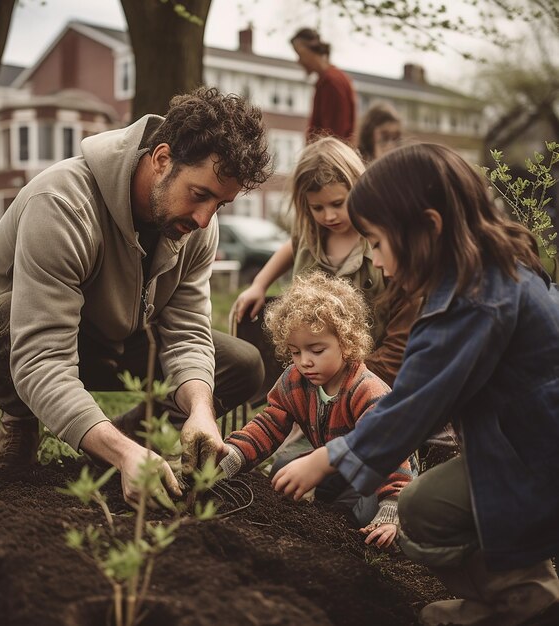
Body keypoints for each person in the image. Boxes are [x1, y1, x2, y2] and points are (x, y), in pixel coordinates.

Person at [271, 143, 559, 626]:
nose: (377, 262)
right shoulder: (490, 275)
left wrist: (325, 458)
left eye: (378, 243)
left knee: (422, 508)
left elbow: (412, 406)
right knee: (438, 503)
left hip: (536, 457)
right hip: (527, 443)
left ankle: (526, 602)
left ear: (428, 228)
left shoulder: (469, 304)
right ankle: (512, 597)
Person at [0, 87, 272, 506]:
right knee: (9, 321)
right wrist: (121, 455)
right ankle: (22, 424)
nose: (205, 218)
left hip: (108, 335)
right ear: (161, 160)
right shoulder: (63, 204)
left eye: (220, 204)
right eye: (200, 194)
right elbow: (41, 356)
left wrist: (200, 412)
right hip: (2, 336)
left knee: (241, 365)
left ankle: (127, 440)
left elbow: (187, 331)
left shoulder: (196, 227)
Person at [221, 271, 413, 548]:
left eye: (316, 350)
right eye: (296, 352)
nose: (304, 362)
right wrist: (232, 456)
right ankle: (336, 503)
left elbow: (392, 451)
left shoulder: (367, 390)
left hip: (383, 472)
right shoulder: (294, 381)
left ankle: (389, 517)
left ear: (346, 343)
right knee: (285, 469)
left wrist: (392, 506)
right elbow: (268, 426)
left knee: (363, 519)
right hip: (336, 466)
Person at [234, 136, 418, 388]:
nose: (329, 215)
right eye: (317, 207)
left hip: (368, 370)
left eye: (337, 204)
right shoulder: (310, 236)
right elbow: (291, 246)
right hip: (314, 363)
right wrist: (259, 284)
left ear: (360, 189)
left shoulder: (378, 243)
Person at [290, 28, 357, 143]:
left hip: (328, 157)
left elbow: (334, 135)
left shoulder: (332, 81)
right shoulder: (328, 80)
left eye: (299, 54)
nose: (299, 61)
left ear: (311, 49)